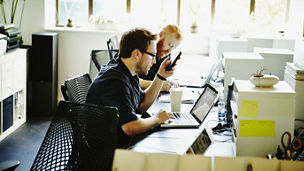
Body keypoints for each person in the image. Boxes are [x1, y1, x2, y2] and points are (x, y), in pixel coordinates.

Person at [86, 28, 175, 148]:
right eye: (152, 56)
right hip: (106, 154)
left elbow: (142, 104)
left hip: (118, 144)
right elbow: (130, 127)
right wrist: (157, 119)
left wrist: (161, 76)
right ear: (137, 54)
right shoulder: (115, 81)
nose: (154, 61)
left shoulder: (128, 72)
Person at [139, 24, 182, 91]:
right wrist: (159, 85)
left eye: (173, 48)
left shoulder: (165, 55)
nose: (169, 51)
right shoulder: (143, 48)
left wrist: (165, 76)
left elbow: (156, 78)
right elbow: (130, 79)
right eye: (169, 45)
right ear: (161, 34)